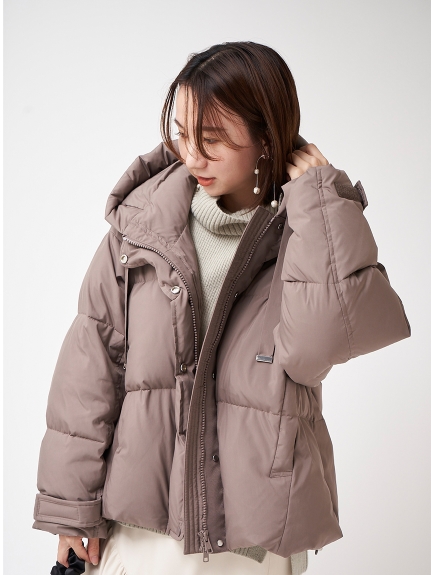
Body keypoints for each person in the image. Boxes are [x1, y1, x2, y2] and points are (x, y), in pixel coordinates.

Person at [32, 41, 411, 575]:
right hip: (144, 534)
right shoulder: (140, 229)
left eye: (212, 140)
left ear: (266, 137)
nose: (192, 156)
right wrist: (71, 510)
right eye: (184, 134)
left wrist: (323, 202)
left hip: (253, 540)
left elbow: (319, 344)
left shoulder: (305, 232)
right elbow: (88, 374)